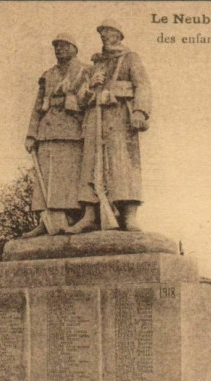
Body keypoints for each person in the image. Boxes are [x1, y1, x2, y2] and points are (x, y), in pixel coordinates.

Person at [65, 19, 151, 233]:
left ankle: (129, 216)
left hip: (120, 118)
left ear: (119, 35)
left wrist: (140, 111)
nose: (103, 35)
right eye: (101, 32)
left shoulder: (130, 58)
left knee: (123, 165)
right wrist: (91, 86)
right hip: (95, 118)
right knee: (91, 165)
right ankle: (90, 215)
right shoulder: (95, 64)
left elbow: (142, 85)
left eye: (108, 31)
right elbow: (79, 100)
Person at [23, 33, 89, 238]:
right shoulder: (48, 75)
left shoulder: (85, 70)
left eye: (63, 46)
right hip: (47, 130)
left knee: (68, 177)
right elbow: (37, 107)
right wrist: (31, 134)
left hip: (72, 130)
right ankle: (47, 220)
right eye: (56, 47)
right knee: (45, 177)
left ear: (74, 48)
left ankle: (69, 219)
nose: (59, 50)